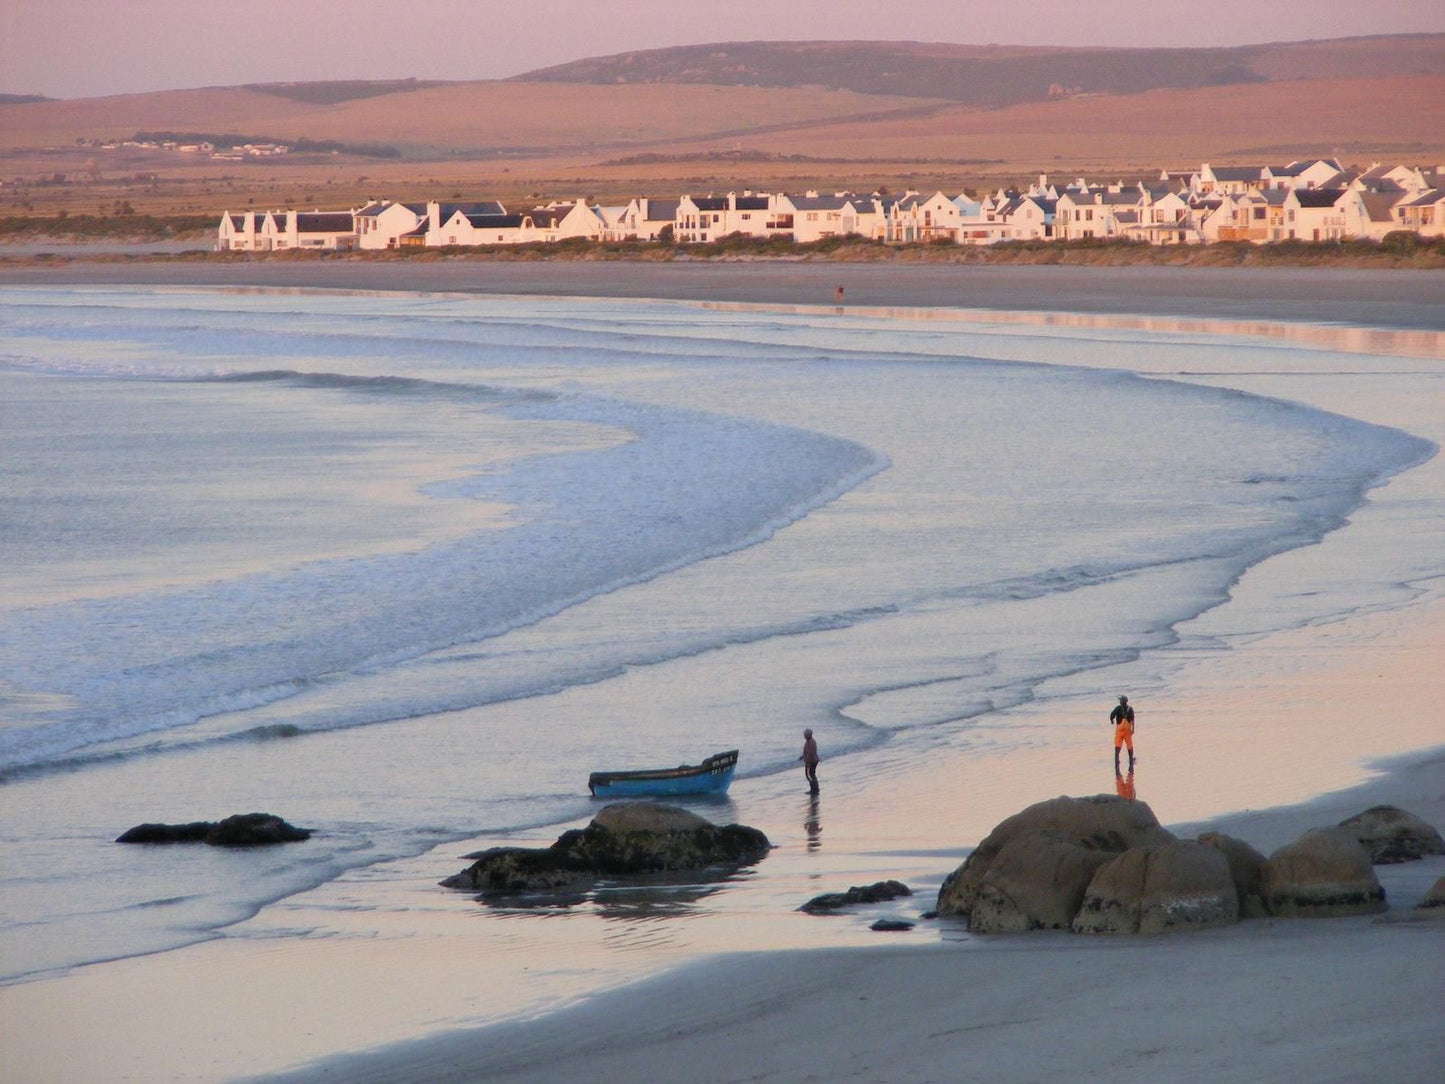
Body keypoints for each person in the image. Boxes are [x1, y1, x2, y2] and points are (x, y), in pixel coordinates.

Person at [1110, 695, 1135, 772]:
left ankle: (1117, 760)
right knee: (1129, 746)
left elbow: (1111, 715)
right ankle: (1131, 760)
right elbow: (1133, 719)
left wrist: (1112, 721)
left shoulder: (1118, 708)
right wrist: (1133, 729)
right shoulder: (1130, 709)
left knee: (1117, 746)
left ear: (1122, 702)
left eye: (1120, 700)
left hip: (1119, 730)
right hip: (1127, 731)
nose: (1120, 701)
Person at [799, 728, 820, 794]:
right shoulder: (808, 741)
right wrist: (802, 756)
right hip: (811, 760)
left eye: (805, 734)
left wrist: (807, 761)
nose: (804, 736)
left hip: (812, 761)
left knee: (810, 775)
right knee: (811, 775)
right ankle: (814, 789)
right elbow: (806, 751)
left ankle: (814, 789)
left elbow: (810, 753)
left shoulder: (811, 742)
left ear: (808, 735)